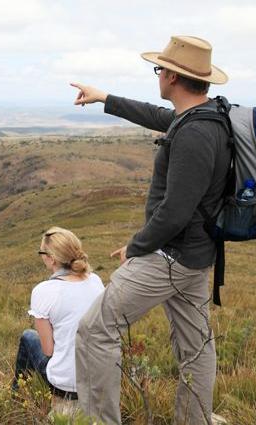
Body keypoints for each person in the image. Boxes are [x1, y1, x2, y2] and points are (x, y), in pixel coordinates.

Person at [70, 36, 231, 424]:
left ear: (173, 76)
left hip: (171, 257)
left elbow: (175, 211)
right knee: (196, 347)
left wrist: (137, 247)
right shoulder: (206, 117)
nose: (157, 76)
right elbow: (157, 116)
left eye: (160, 69)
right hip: (195, 256)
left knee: (94, 330)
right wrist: (104, 98)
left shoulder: (194, 134)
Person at [13, 226, 104, 400]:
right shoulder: (95, 280)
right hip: (100, 379)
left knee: (27, 337)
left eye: (42, 252)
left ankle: (17, 395)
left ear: (51, 259)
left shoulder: (44, 291)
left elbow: (48, 350)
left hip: (66, 386)